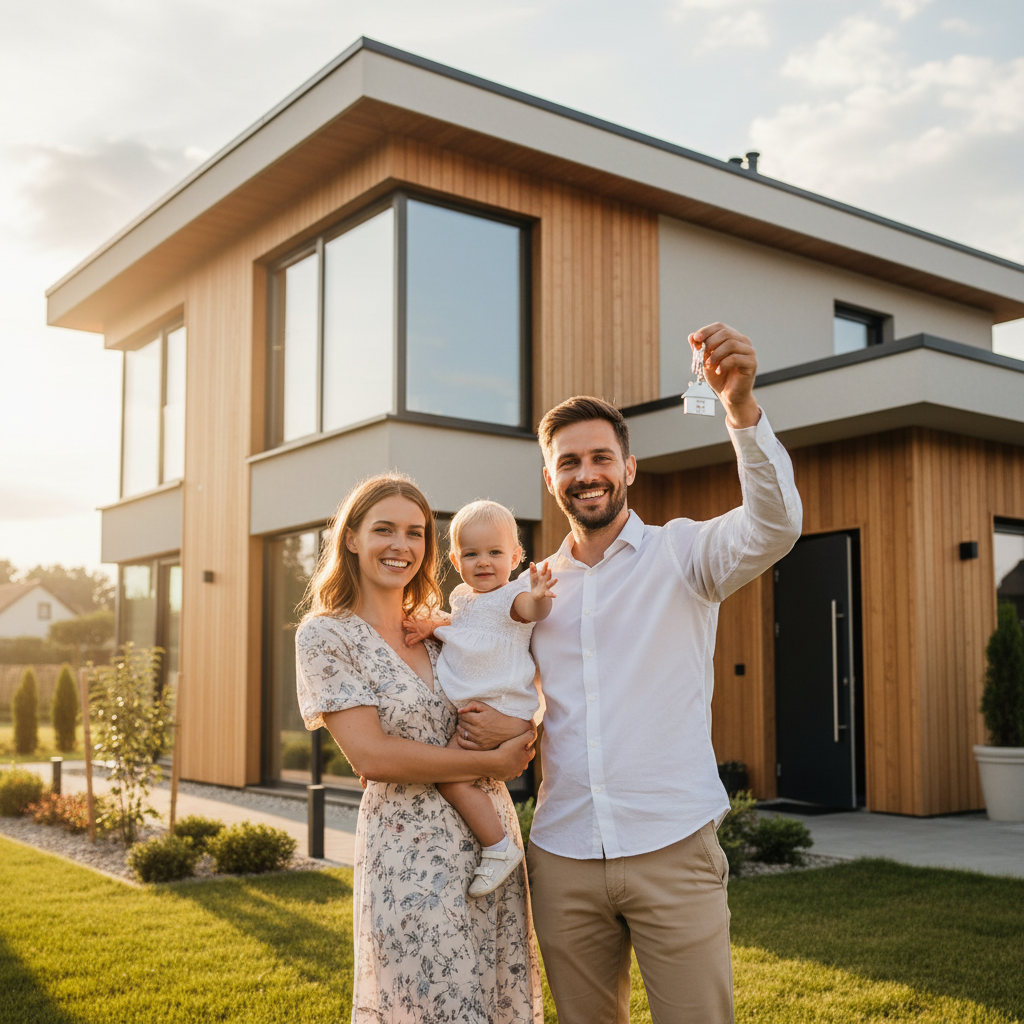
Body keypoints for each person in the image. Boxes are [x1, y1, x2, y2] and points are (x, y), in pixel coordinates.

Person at [456, 323, 803, 1023]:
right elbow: (497, 681)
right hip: (562, 855)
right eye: (569, 462)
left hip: (672, 847)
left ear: (629, 468)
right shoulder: (529, 590)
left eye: (600, 458)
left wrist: (739, 408)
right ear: (551, 479)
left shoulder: (685, 555)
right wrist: (506, 729)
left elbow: (775, 526)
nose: (586, 473)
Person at [294, 473, 543, 1023]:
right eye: (384, 529)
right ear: (351, 537)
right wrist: (490, 760)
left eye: (415, 533)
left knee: (495, 999)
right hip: (409, 852)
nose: (401, 545)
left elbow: (522, 688)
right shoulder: (326, 635)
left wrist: (517, 729)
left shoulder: (441, 627)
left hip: (491, 845)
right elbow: (373, 757)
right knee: (431, 1003)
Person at [403, 499, 557, 897]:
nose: (483, 562)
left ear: (515, 557)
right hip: (484, 708)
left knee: (452, 782)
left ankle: (499, 847)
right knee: (457, 777)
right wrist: (430, 627)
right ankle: (496, 843)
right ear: (456, 560)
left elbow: (532, 610)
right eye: (471, 554)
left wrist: (540, 595)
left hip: (501, 707)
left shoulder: (513, 596)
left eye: (495, 553)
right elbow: (462, 629)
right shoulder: (463, 599)